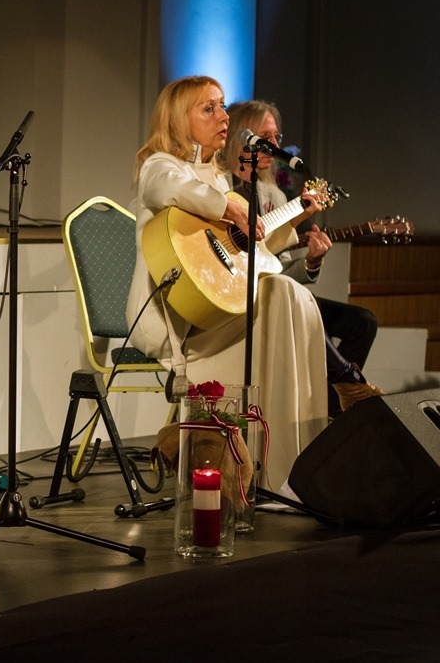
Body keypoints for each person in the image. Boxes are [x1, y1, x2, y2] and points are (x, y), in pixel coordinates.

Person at [126, 75, 328, 492]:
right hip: (180, 323)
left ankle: (295, 465)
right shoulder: (159, 166)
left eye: (221, 105)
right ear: (180, 120)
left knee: (291, 295)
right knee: (280, 294)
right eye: (209, 108)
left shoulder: (219, 177)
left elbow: (237, 258)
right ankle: (275, 473)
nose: (224, 116)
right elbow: (168, 186)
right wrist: (227, 209)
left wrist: (291, 217)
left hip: (217, 309)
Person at [221, 100, 382, 417]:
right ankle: (349, 383)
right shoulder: (219, 188)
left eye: (278, 137)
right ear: (243, 139)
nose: (276, 146)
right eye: (267, 136)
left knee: (362, 322)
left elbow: (274, 271)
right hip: (233, 300)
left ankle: (333, 409)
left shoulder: (276, 198)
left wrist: (311, 262)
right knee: (300, 309)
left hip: (272, 295)